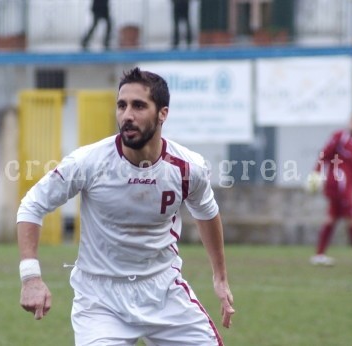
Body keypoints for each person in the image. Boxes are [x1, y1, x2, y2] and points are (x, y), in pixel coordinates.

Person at [16, 67, 235, 345]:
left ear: (162, 113)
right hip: (100, 299)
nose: (127, 115)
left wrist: (220, 277)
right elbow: (32, 205)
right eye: (122, 105)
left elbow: (206, 212)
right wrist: (31, 277)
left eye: (139, 106)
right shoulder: (89, 162)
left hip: (163, 291)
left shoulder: (187, 167)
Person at [306, 111, 352, 267]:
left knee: (332, 218)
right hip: (338, 184)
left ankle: (319, 254)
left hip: (346, 184)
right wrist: (316, 172)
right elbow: (324, 154)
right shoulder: (340, 136)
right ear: (350, 121)